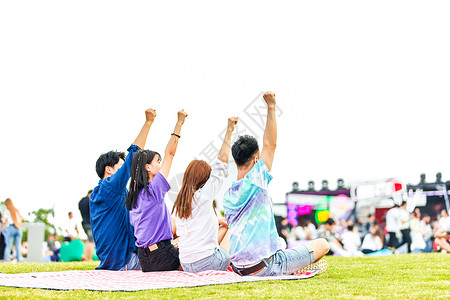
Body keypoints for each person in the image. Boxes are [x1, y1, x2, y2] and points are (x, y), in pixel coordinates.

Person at [223, 91, 330, 277]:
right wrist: (271, 106)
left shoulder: (228, 194)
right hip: (267, 266)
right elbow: (270, 145)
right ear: (256, 159)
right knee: (323, 244)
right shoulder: (256, 181)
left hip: (240, 269)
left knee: (281, 243)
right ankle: (293, 268)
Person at [90, 108, 156, 271]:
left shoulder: (101, 194)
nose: (124, 171)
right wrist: (148, 123)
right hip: (125, 262)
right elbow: (134, 156)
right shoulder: (109, 188)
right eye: (119, 167)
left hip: (116, 261)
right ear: (109, 170)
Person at [172, 117, 238, 273]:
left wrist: (218, 220)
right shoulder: (204, 196)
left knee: (222, 228)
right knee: (230, 230)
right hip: (207, 263)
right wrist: (229, 131)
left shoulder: (179, 203)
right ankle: (233, 265)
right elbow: (221, 164)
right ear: (205, 179)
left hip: (187, 264)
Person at [126, 109, 188, 272]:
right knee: (199, 251)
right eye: (157, 161)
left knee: (179, 242)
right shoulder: (154, 189)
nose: (160, 164)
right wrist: (179, 122)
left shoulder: (133, 195)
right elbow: (171, 153)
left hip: (145, 259)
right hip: (161, 257)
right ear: (148, 167)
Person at [78, 190, 94, 261]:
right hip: (90, 223)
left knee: (88, 240)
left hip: (84, 223)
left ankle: (84, 255)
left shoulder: (81, 201)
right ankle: (89, 257)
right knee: (92, 241)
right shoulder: (90, 201)